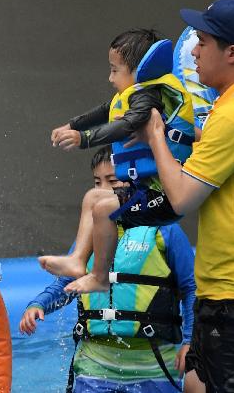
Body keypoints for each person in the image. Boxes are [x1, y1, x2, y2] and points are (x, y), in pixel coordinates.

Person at [131, 0, 234, 392]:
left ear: (233, 53)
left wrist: (156, 136)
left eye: (203, 42)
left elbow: (182, 198)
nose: (192, 51)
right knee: (194, 384)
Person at [21, 147, 196, 393]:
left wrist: (190, 342)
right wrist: (38, 305)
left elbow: (191, 290)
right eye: (96, 182)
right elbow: (65, 285)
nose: (102, 190)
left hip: (154, 366)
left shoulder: (165, 231)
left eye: (112, 181)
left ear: (135, 179)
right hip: (94, 367)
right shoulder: (89, 237)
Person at [39, 29, 196, 296]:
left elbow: (129, 124)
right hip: (146, 190)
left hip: (165, 195)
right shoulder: (137, 93)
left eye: (115, 70)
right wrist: (72, 124)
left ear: (139, 70)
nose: (110, 78)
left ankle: (99, 276)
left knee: (102, 210)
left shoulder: (148, 97)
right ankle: (78, 259)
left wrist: (83, 138)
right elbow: (105, 110)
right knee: (93, 198)